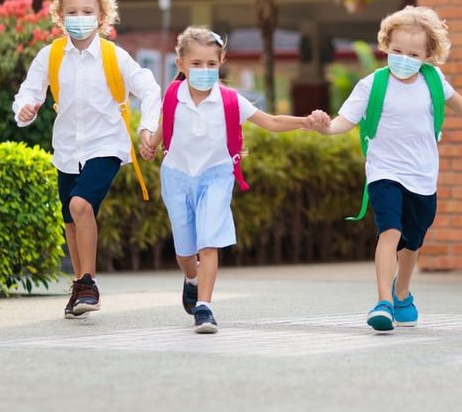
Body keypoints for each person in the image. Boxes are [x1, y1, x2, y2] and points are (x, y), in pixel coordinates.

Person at [312, 6, 462, 331]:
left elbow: (457, 102)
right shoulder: (373, 84)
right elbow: (343, 122)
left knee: (412, 243)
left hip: (423, 177)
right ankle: (383, 302)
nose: (403, 58)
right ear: (386, 44)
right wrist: (324, 127)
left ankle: (402, 294)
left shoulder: (433, 79)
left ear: (428, 54)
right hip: (385, 172)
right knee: (390, 232)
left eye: (413, 53)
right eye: (397, 51)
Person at [140, 26, 329, 334]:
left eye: (211, 64)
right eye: (196, 64)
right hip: (176, 176)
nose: (204, 70)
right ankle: (191, 277)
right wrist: (151, 143)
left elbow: (271, 122)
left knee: (209, 242)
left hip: (216, 176)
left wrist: (305, 122)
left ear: (221, 62)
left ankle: (205, 307)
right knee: (186, 251)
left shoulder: (230, 101)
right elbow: (164, 128)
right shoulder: (173, 95)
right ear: (181, 64)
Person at [13, 0, 160, 319]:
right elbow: (29, 92)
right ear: (60, 16)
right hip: (66, 148)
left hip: (106, 145)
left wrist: (147, 127)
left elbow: (150, 89)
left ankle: (89, 282)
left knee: (81, 206)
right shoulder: (49, 56)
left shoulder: (114, 56)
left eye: (88, 11)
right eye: (72, 11)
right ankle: (80, 284)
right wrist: (26, 108)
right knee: (70, 220)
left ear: (102, 15)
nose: (80, 17)